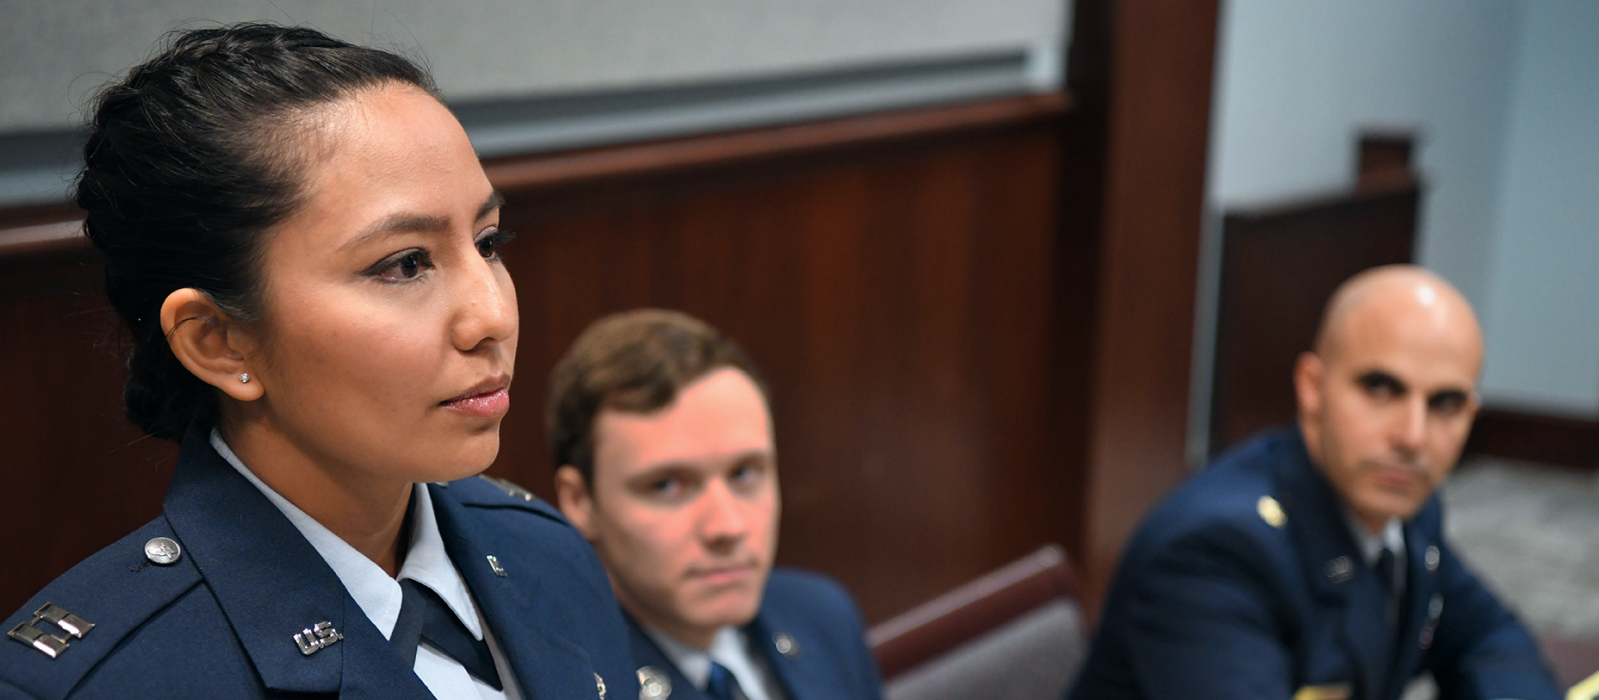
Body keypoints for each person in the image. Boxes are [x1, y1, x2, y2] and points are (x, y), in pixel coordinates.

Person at [0, 23, 632, 700]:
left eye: (488, 242)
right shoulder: (109, 683)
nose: (493, 316)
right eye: (405, 264)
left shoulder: (545, 553)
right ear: (219, 342)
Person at [1069, 265, 1562, 700]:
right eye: (1380, 389)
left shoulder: (1404, 503)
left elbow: (1491, 639)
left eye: (1444, 404)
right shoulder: (1215, 554)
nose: (1413, 437)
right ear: (1312, 387)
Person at [548, 309, 883, 700]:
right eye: (667, 485)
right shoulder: (566, 684)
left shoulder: (822, 617)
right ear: (580, 501)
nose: (727, 527)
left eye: (744, 473)